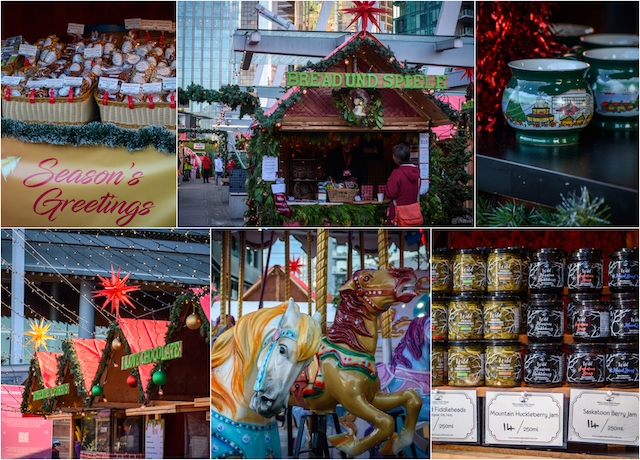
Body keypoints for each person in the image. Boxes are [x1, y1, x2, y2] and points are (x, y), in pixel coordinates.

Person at [384, 143, 421, 225]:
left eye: (393, 155)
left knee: (396, 237)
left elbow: (391, 193)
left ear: (397, 159)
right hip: (413, 214)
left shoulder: (397, 173)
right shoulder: (417, 173)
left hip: (398, 214)